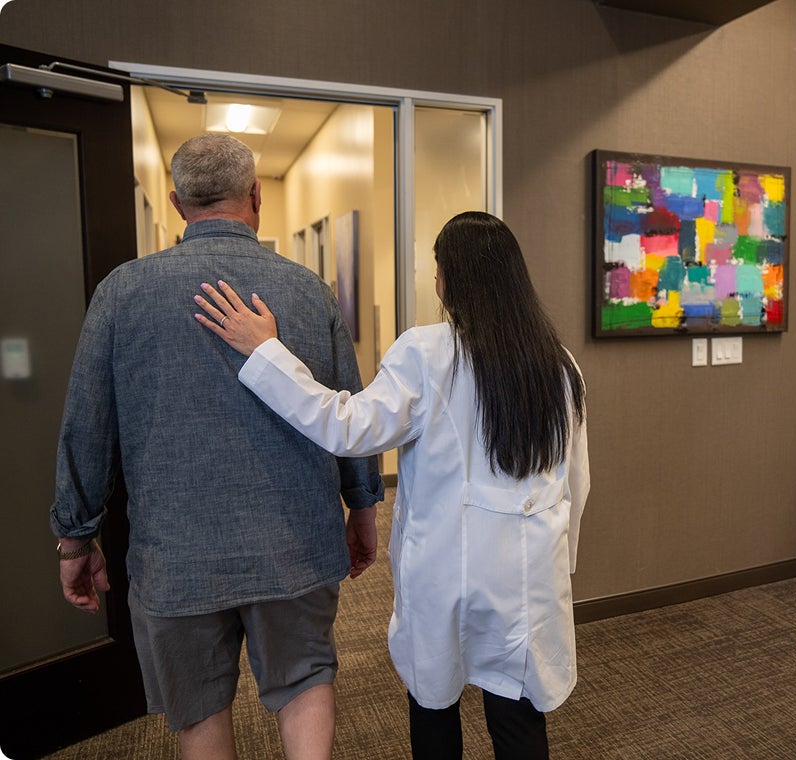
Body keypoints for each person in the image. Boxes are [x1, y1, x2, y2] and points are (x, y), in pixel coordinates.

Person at [193, 210, 590, 759]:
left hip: (447, 570)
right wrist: (557, 565)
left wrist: (266, 353)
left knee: (434, 702)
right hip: (528, 574)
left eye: (438, 269)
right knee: (517, 712)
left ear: (451, 280)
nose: (435, 281)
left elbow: (346, 426)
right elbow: (575, 481)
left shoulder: (428, 352)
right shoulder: (560, 364)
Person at [50, 134, 384, 760]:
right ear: (256, 196)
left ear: (177, 203)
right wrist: (362, 509)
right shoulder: (308, 290)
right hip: (295, 545)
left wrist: (76, 538)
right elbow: (350, 408)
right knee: (306, 678)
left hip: (176, 557)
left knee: (199, 707)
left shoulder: (121, 293)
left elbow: (87, 427)